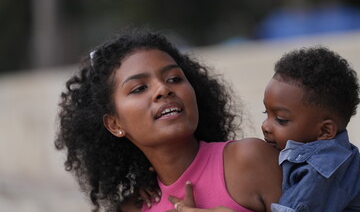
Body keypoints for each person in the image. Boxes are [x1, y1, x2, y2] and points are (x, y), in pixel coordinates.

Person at [55, 28, 282, 212]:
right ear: (115, 125)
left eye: (174, 78)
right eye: (139, 88)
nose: (163, 89)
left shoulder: (250, 160)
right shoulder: (134, 208)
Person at [169, 46, 360, 212]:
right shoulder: (323, 153)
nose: (265, 126)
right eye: (265, 113)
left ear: (325, 131)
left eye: (281, 120)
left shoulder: (321, 171)